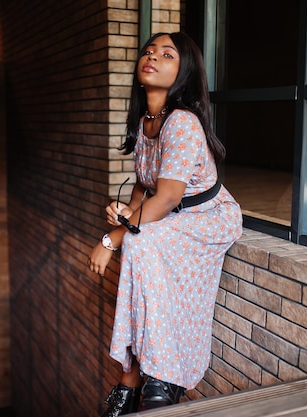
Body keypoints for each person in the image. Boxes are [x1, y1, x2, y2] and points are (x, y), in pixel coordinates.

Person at [88, 32, 243, 416]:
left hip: (209, 218)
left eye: (167, 54)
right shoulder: (146, 123)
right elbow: (146, 188)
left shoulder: (183, 123)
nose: (152, 57)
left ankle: (148, 378)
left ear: (184, 74)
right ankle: (142, 374)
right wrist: (126, 213)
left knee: (139, 244)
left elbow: (170, 196)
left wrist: (112, 239)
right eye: (149, 51)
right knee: (140, 242)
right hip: (176, 217)